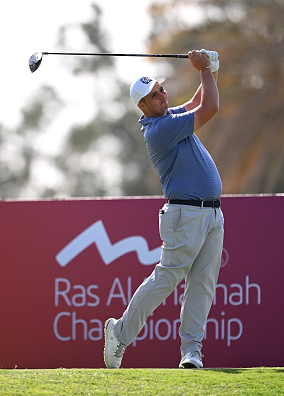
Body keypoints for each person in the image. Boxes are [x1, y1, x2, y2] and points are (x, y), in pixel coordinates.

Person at [103, 49, 223, 369]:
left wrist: (210, 69)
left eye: (161, 89)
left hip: (211, 214)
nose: (161, 96)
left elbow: (199, 101)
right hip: (185, 214)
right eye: (154, 96)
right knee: (166, 280)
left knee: (202, 283)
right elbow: (210, 107)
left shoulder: (169, 116)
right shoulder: (159, 129)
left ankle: (191, 351)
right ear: (142, 107)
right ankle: (120, 332)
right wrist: (206, 70)